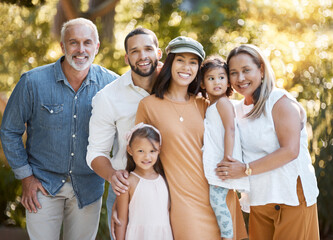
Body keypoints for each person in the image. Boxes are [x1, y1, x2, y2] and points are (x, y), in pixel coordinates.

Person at [0, 18, 118, 240]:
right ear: (63, 46)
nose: (81, 50)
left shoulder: (112, 85)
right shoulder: (33, 82)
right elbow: (9, 131)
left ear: (97, 47)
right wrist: (26, 177)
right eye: (73, 42)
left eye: (87, 43)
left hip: (89, 186)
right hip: (42, 185)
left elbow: (126, 135)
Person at [135, 36, 248, 240]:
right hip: (183, 202)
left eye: (193, 62)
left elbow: (234, 132)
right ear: (170, 63)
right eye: (180, 60)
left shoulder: (205, 105)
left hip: (219, 194)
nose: (186, 67)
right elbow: (140, 157)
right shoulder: (148, 106)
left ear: (198, 69)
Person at [217, 44, 320, 239]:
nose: (240, 78)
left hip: (291, 198)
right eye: (234, 73)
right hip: (259, 201)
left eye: (246, 70)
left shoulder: (279, 101)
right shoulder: (236, 110)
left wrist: (245, 168)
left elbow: (290, 151)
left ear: (261, 70)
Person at [86, 27, 162, 238]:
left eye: (148, 49)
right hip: (128, 189)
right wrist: (112, 175)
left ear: (159, 53)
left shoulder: (177, 84)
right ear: (127, 58)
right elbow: (95, 152)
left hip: (171, 188)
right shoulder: (108, 97)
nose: (142, 56)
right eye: (135, 51)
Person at [200, 55, 250, 240]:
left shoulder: (222, 103)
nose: (217, 82)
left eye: (221, 77)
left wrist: (227, 158)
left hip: (225, 160)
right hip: (218, 160)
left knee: (217, 199)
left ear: (228, 81)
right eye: (211, 78)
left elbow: (230, 129)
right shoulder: (211, 105)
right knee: (216, 199)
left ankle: (228, 236)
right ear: (203, 83)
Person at [115, 123, 173, 240]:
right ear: (130, 150)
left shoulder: (164, 179)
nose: (147, 157)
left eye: (152, 151)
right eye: (141, 151)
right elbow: (121, 220)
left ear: (159, 150)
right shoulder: (128, 182)